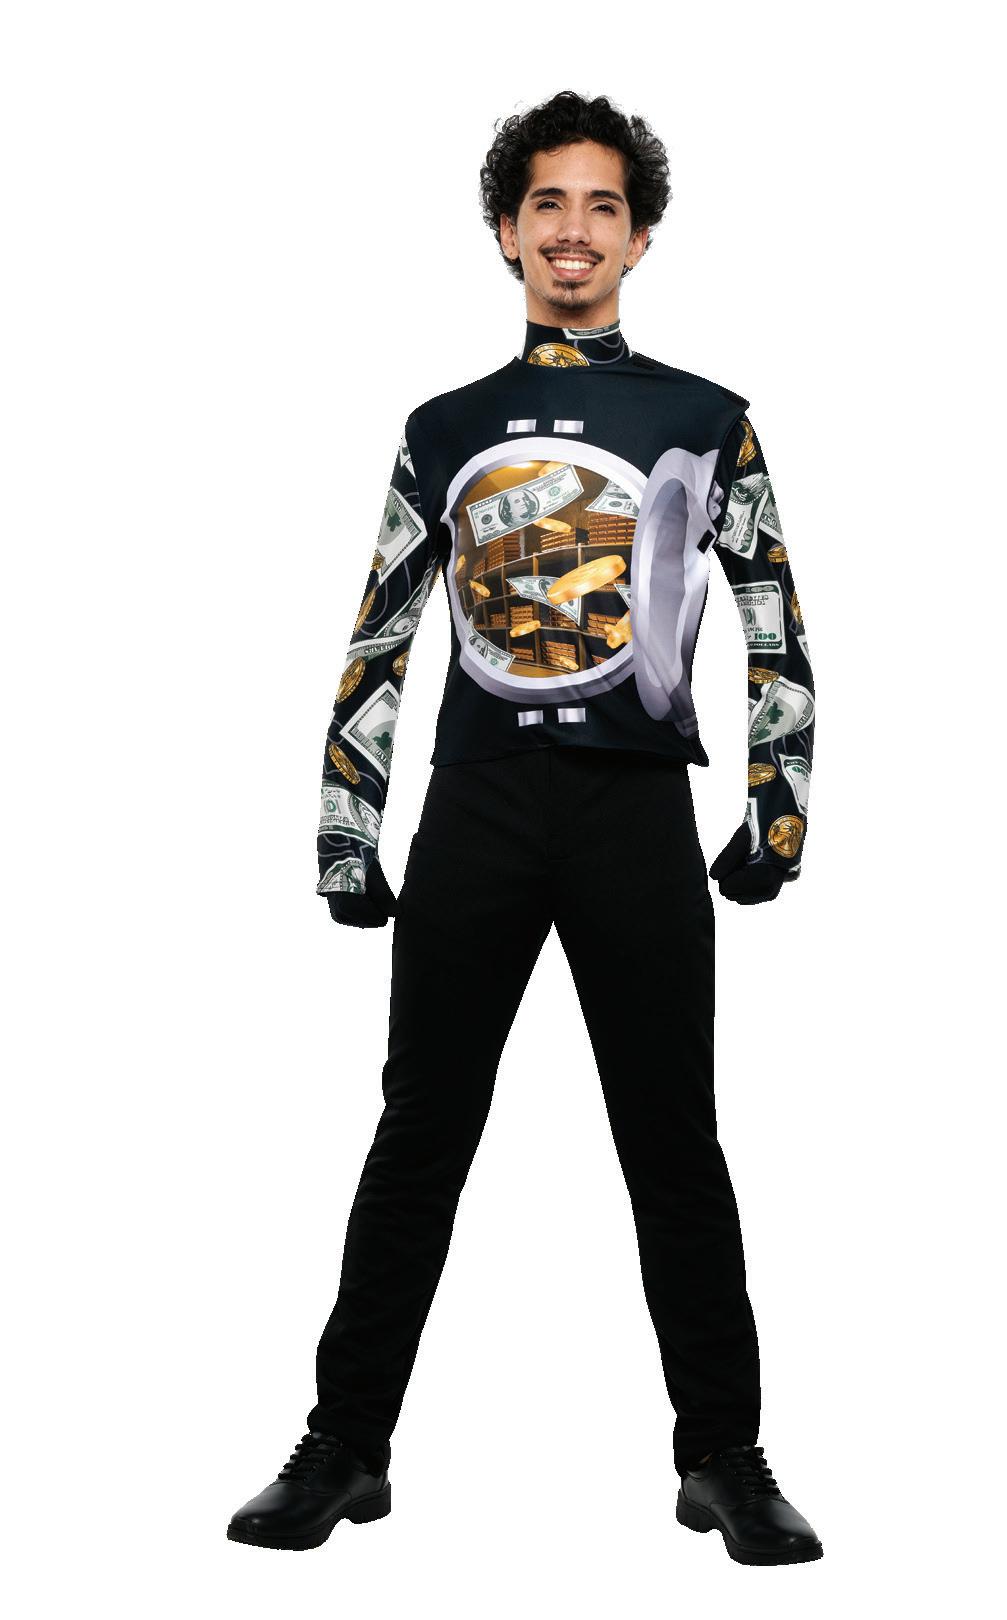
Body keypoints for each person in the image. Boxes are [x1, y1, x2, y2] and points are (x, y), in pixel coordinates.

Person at [228, 90, 821, 1566]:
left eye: (603, 205)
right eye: (547, 203)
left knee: (673, 1139)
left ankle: (725, 1456)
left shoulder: (706, 418)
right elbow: (381, 629)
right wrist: (346, 824)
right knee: (420, 1131)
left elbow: (772, 617)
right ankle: (344, 1444)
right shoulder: (443, 430)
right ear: (507, 230)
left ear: (640, 236)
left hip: (635, 812)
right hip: (478, 807)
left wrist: (779, 806)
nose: (573, 229)